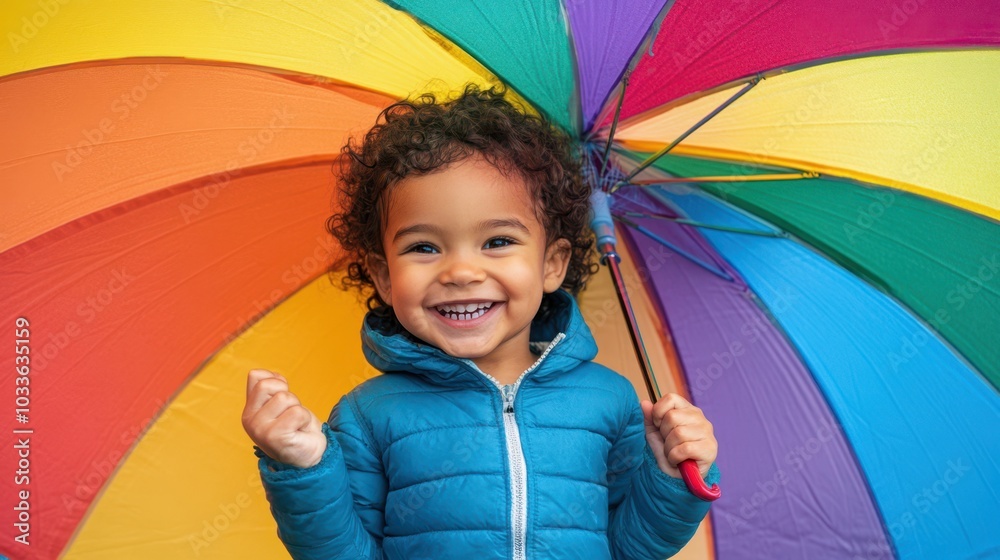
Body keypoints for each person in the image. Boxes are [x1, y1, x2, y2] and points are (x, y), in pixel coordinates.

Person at [242, 84, 719, 560]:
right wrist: (304, 470)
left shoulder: (609, 400)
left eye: (497, 241)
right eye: (424, 248)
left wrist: (673, 477)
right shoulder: (370, 415)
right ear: (385, 277)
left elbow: (628, 549)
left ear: (552, 264)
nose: (461, 272)